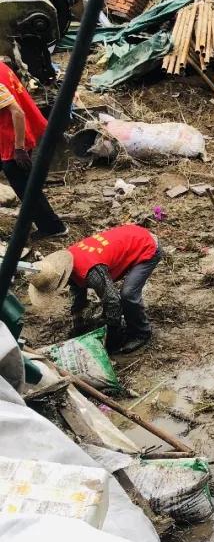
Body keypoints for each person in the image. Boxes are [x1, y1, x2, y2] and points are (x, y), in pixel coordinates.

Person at [28, 224, 162, 354]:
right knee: (112, 296)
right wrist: (78, 319)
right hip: (130, 235)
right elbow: (77, 288)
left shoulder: (91, 272)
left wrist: (112, 336)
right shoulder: (67, 262)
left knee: (128, 295)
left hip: (147, 246)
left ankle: (142, 333)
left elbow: (113, 301)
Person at [0, 59, 67, 240]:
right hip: (11, 135)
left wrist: (19, 148)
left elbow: (17, 112)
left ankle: (52, 227)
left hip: (14, 140)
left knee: (26, 187)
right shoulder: (2, 66)